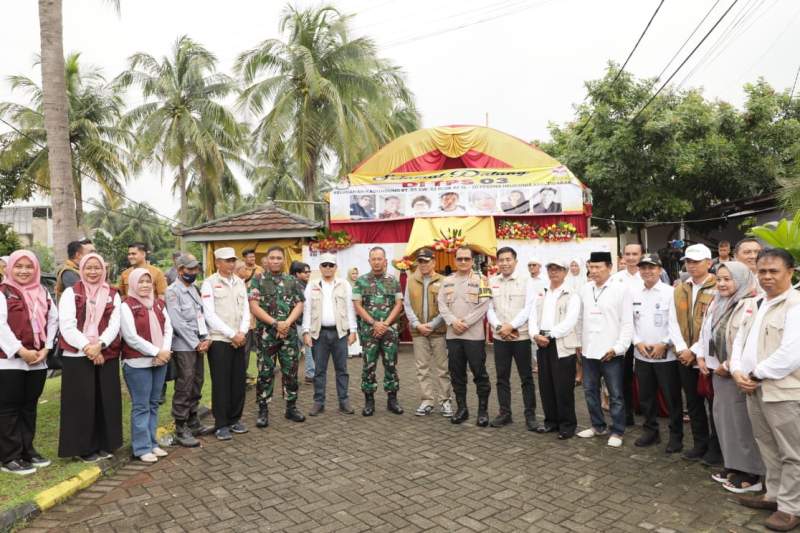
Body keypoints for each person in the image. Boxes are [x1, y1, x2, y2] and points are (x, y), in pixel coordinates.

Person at [730, 249, 800, 531]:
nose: (767, 277)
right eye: (762, 271)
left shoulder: (795, 305)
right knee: (767, 446)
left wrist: (754, 373)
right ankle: (774, 495)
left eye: (774, 271)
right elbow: (739, 342)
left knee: (792, 452)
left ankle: (792, 508)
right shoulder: (755, 303)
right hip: (753, 388)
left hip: (783, 391)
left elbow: (792, 354)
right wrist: (737, 370)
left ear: (790, 272)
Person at [695, 261, 764, 493]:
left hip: (737, 374)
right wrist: (702, 356)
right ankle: (734, 464)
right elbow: (707, 332)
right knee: (724, 421)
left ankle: (752, 474)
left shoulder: (751, 303)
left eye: (728, 279)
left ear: (742, 279)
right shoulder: (719, 301)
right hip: (718, 372)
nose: (722, 283)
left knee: (742, 423)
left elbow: (746, 342)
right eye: (720, 279)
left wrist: (726, 364)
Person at [58, 253, 123, 462]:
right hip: (77, 355)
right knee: (82, 402)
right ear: (81, 269)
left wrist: (100, 345)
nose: (93, 272)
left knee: (105, 400)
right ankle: (84, 448)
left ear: (103, 270)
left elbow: (115, 324)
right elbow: (67, 324)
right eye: (88, 268)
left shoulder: (113, 293)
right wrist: (88, 347)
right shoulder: (71, 292)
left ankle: (105, 443)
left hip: (106, 353)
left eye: (97, 268)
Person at [0, 251, 58, 475]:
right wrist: (20, 350)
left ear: (36, 269)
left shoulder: (42, 291)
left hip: (38, 360)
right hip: (9, 361)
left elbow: (53, 319)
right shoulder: (4, 292)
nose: (24, 271)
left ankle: (27, 451)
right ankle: (9, 457)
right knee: (8, 409)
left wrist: (47, 348)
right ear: (9, 268)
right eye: (19, 266)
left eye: (28, 266)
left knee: (29, 407)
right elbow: (1, 326)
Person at [668, 243, 721, 465]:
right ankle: (700, 444)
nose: (691, 265)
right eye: (688, 261)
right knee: (694, 402)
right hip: (684, 356)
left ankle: (717, 448)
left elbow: (714, 325)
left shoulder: (719, 287)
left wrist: (694, 350)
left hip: (708, 357)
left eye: (697, 261)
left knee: (715, 405)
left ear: (709, 263)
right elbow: (673, 321)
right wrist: (681, 349)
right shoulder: (680, 287)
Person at [576, 251, 632, 448]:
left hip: (611, 352)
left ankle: (617, 431)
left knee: (615, 394)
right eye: (591, 267)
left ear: (609, 267)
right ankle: (598, 426)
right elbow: (581, 319)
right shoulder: (584, 289)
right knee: (590, 390)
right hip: (589, 350)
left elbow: (627, 323)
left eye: (598, 267)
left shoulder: (621, 290)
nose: (594, 271)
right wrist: (579, 344)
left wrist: (618, 348)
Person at [630, 254, 683, 453]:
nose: (647, 271)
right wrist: (637, 342)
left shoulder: (671, 293)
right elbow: (630, 322)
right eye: (643, 268)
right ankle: (651, 432)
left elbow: (676, 323)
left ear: (660, 269)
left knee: (672, 398)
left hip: (666, 356)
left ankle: (676, 436)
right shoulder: (635, 293)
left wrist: (665, 343)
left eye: (651, 268)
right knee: (646, 398)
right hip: (642, 355)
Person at [120, 269, 173, 463]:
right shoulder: (126, 305)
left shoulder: (159, 304)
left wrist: (164, 352)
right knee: (141, 406)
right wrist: (156, 351)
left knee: (153, 403)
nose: (144, 285)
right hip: (137, 363)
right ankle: (141, 447)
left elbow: (168, 328)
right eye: (140, 282)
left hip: (160, 361)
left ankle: (152, 443)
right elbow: (131, 337)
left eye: (147, 281)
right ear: (133, 284)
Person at [249, 248, 306, 428]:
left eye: (278, 258)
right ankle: (263, 410)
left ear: (283, 260)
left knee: (290, 372)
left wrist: (287, 323)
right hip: (266, 335)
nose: (275, 261)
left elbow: (299, 304)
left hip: (288, 335)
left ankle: (291, 407)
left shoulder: (292, 281)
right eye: (272, 258)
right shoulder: (257, 280)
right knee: (265, 372)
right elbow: (254, 306)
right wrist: (275, 324)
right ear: (267, 260)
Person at [437, 246, 493, 426]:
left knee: (479, 373)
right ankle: (462, 409)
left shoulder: (482, 280)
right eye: (459, 259)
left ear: (472, 260)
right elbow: (441, 304)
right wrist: (453, 322)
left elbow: (484, 305)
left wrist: (465, 323)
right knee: (457, 374)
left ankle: (482, 411)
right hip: (453, 336)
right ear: (455, 260)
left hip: (474, 337)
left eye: (466, 259)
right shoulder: (447, 281)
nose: (462, 262)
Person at [201, 247, 250, 441]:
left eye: (233, 260)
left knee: (238, 381)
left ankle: (234, 419)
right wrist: (232, 334)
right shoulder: (209, 283)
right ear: (218, 262)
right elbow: (209, 314)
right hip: (221, 340)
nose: (231, 264)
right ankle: (221, 424)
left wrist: (242, 332)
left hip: (239, 338)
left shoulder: (239, 282)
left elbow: (246, 309)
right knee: (221, 383)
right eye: (227, 261)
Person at [486, 246, 536, 429]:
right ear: (497, 262)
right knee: (501, 378)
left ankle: (530, 416)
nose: (505, 263)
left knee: (526, 378)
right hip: (501, 339)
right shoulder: (491, 282)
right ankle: (504, 413)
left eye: (508, 259)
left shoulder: (526, 281)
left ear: (515, 261)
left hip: (520, 338)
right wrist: (500, 328)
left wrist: (511, 326)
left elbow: (528, 308)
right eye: (501, 260)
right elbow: (489, 308)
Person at [531, 259, 581, 439]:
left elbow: (570, 322)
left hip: (560, 344)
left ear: (565, 272)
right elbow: (532, 316)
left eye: (558, 269)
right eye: (550, 269)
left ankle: (567, 425)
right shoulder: (542, 293)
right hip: (541, 342)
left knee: (563, 387)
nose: (554, 272)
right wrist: (535, 334)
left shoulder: (572, 294)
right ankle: (550, 422)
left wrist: (550, 335)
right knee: (546, 386)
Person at [301, 253, 357, 416]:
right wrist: (306, 331)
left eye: (331, 265)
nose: (327, 268)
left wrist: (353, 331)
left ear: (335, 268)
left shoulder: (344, 284)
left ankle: (344, 401)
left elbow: (350, 309)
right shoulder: (312, 284)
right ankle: (319, 402)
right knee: (319, 370)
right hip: (319, 334)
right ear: (320, 267)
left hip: (340, 333)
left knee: (342, 369)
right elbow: (307, 310)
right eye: (324, 265)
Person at [352, 247, 405, 416]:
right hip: (369, 332)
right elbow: (357, 305)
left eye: (379, 259)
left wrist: (386, 324)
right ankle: (369, 401)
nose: (376, 262)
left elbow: (399, 304)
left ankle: (392, 400)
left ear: (385, 261)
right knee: (369, 366)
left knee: (391, 365)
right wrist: (374, 323)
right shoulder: (360, 281)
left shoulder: (393, 281)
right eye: (373, 259)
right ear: (369, 261)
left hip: (389, 332)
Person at [166, 254, 212, 447]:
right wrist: (196, 343)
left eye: (195, 269)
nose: (193, 272)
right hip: (184, 346)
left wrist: (206, 338)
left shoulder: (193, 289)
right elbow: (177, 322)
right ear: (180, 270)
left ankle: (193, 421)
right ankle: (180, 427)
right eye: (189, 269)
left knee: (197, 381)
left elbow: (202, 315)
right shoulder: (172, 292)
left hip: (198, 343)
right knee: (184, 385)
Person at [404, 248, 452, 417]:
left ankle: (445, 401)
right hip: (419, 333)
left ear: (434, 262)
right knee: (422, 368)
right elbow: (407, 306)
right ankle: (427, 401)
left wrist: (431, 325)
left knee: (442, 368)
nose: (423, 264)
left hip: (438, 331)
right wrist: (417, 325)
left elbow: (446, 307)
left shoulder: (445, 281)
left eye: (426, 261)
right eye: (420, 261)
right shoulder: (411, 281)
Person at [610, 243, 645, 427]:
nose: (631, 257)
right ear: (623, 256)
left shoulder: (648, 275)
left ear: (642, 255)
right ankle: (626, 415)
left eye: (635, 254)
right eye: (628, 254)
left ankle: (647, 414)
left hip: (644, 335)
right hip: (623, 335)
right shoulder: (616, 279)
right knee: (623, 377)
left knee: (645, 377)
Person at [290, 261, 314, 383]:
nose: (308, 273)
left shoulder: (304, 285)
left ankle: (293, 375)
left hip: (297, 323)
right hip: (299, 323)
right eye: (305, 272)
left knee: (295, 352)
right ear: (297, 273)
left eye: (309, 271)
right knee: (308, 349)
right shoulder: (298, 286)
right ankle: (310, 374)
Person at [347, 267, 363, 358]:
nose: (355, 275)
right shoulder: (346, 284)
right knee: (350, 330)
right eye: (353, 273)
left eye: (356, 273)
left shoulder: (360, 284)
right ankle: (350, 351)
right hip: (350, 311)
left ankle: (360, 350)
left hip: (359, 311)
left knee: (360, 331)